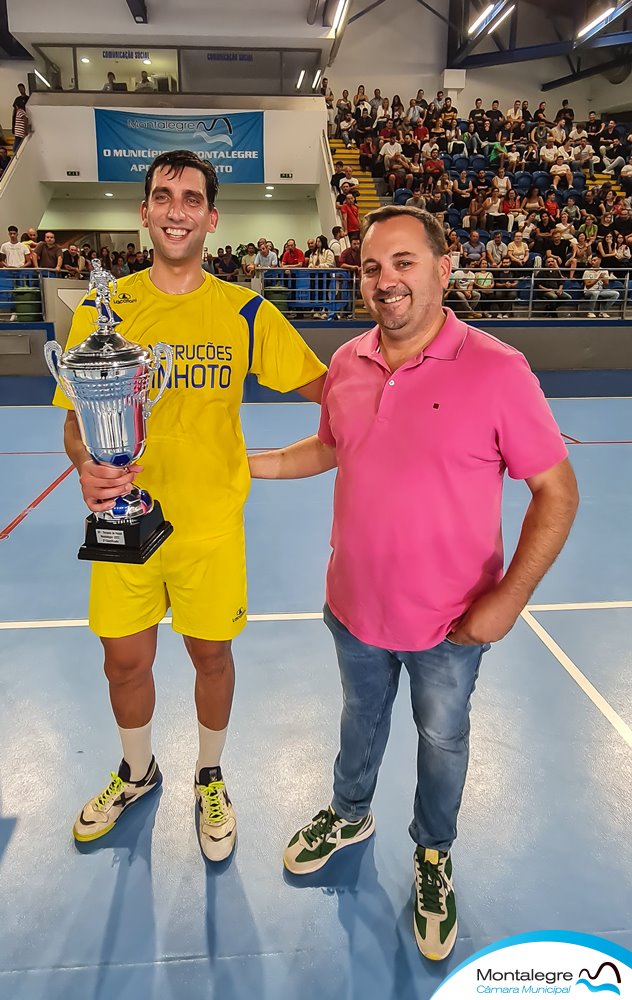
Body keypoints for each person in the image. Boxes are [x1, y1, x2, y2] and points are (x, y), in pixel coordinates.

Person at [248, 205, 578, 961]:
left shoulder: (498, 369)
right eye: (371, 266)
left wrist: (507, 601)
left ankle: (433, 852)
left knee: (443, 739)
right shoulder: (349, 363)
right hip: (355, 604)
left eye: (403, 262)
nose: (385, 280)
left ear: (443, 268)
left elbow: (558, 494)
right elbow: (330, 447)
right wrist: (251, 466)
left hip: (452, 625)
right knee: (358, 723)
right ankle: (349, 811)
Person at [52, 150, 326, 858]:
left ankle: (210, 773)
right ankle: (137, 770)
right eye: (163, 195)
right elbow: (76, 419)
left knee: (210, 657)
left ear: (212, 216)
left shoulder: (244, 311)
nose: (177, 208)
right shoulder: (102, 310)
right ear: (144, 211)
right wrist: (86, 464)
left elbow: (328, 389)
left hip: (209, 532)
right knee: (123, 664)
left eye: (191, 197)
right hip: (124, 528)